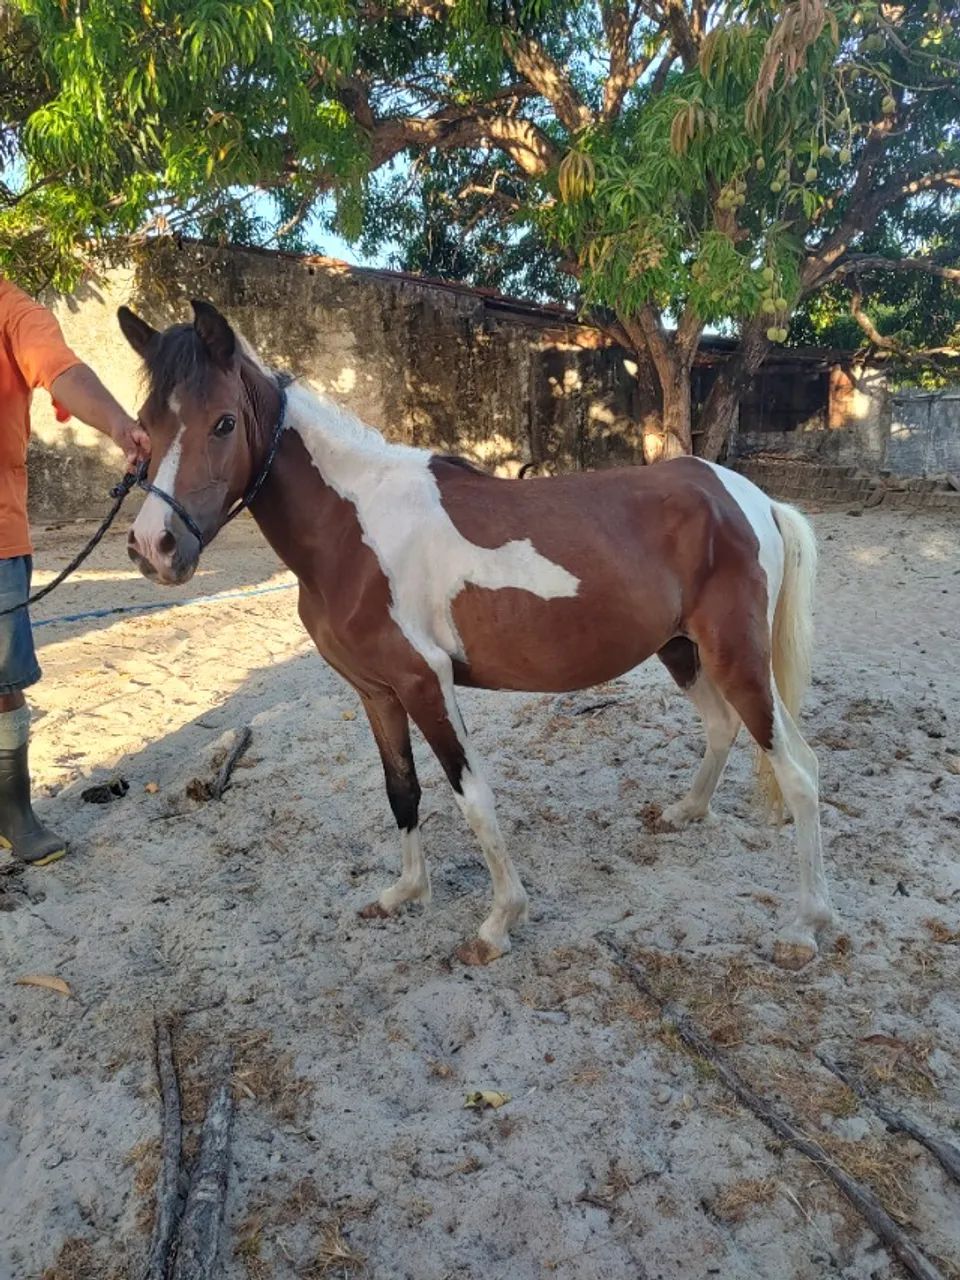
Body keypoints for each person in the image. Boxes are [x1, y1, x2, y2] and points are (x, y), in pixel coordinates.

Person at [0, 273, 150, 864]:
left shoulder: (13, 310)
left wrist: (119, 424)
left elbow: (61, 368)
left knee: (2, 687)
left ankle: (13, 812)